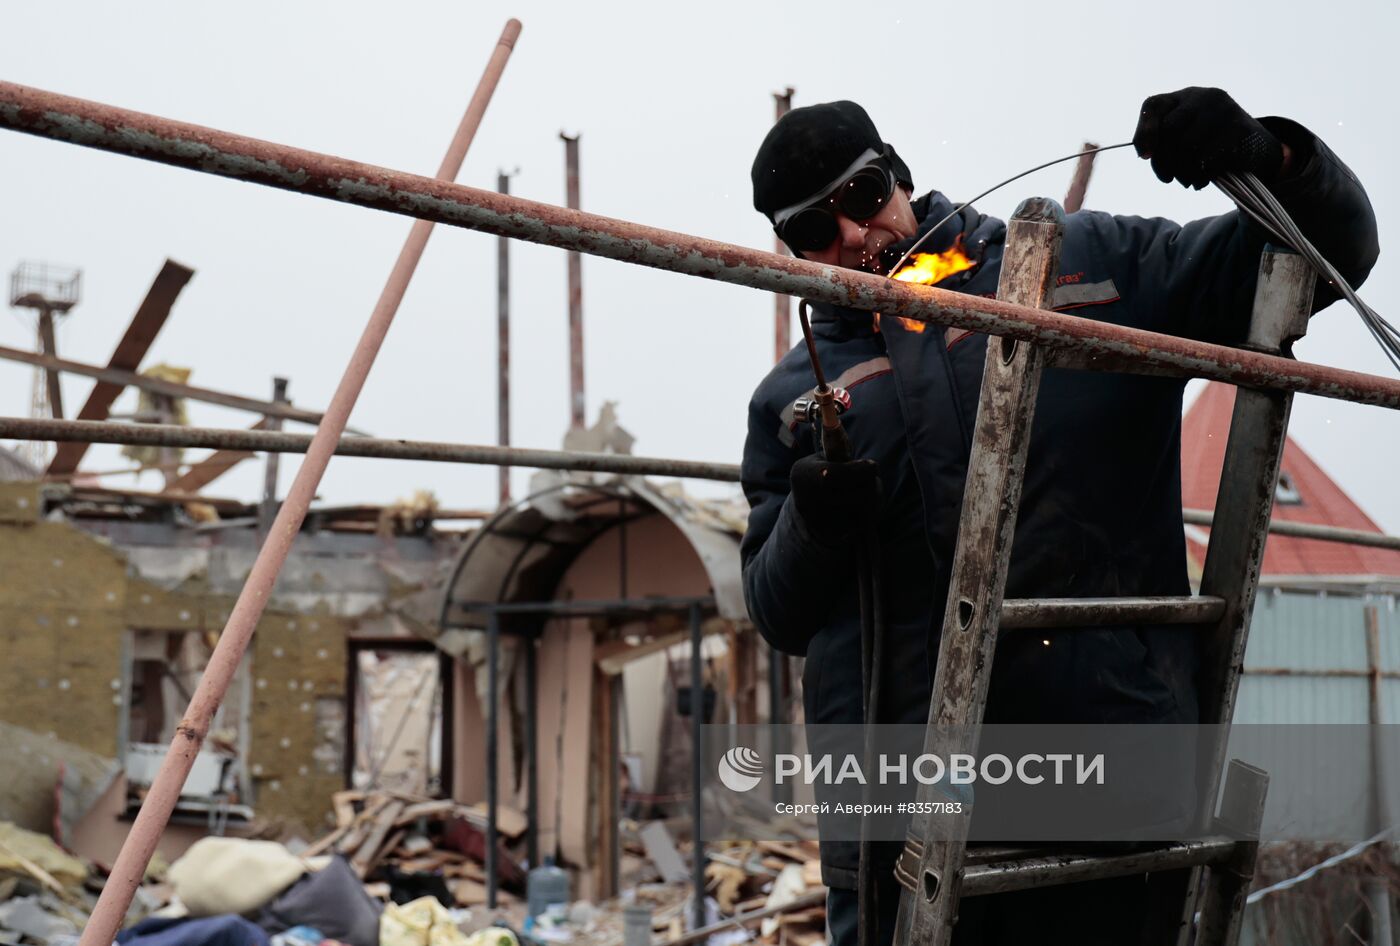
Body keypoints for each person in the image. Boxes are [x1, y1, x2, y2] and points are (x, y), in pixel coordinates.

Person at [740, 88, 1378, 945]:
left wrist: (1270, 159)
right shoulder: (794, 400)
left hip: (1110, 786)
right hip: (900, 824)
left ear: (897, 174)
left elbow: (1331, 254)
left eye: (861, 198)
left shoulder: (1087, 271)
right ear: (790, 246)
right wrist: (810, 526)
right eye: (816, 228)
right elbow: (775, 611)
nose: (853, 237)